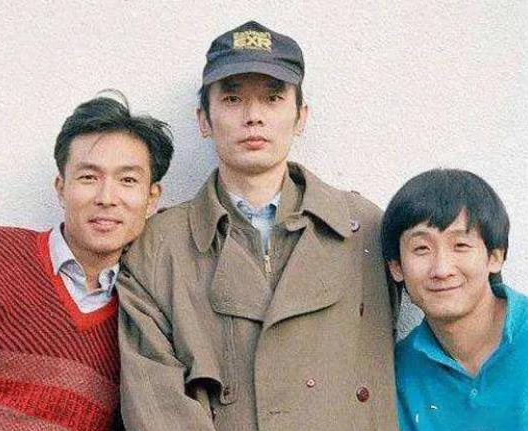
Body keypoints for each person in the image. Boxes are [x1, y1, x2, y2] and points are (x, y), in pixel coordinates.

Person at [118, 21, 398, 430]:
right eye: (232, 99)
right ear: (203, 119)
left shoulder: (363, 229)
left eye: (272, 98)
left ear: (300, 116)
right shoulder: (158, 248)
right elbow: (155, 406)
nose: (253, 117)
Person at [0, 91, 174, 430]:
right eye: (88, 177)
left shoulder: (146, 311)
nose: (106, 197)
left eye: (127, 180)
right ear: (61, 187)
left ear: (151, 198)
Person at [381, 169, 528, 430]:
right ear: (396, 267)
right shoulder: (397, 373)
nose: (441, 269)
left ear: (495, 257)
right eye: (421, 248)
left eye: (460, 245)